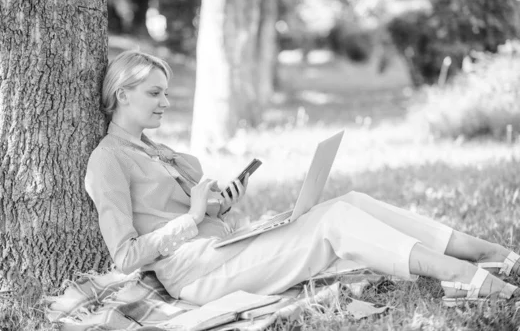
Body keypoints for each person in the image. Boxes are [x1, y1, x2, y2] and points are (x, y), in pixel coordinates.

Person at [85, 50, 520, 307]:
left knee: (352, 200)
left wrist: (220, 204)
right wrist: (194, 216)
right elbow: (125, 256)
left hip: (226, 249)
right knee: (333, 222)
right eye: (154, 93)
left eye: (165, 91)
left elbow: (191, 212)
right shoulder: (109, 161)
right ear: (122, 94)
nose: (165, 101)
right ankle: (459, 274)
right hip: (197, 275)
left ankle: (484, 251)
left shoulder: (158, 150)